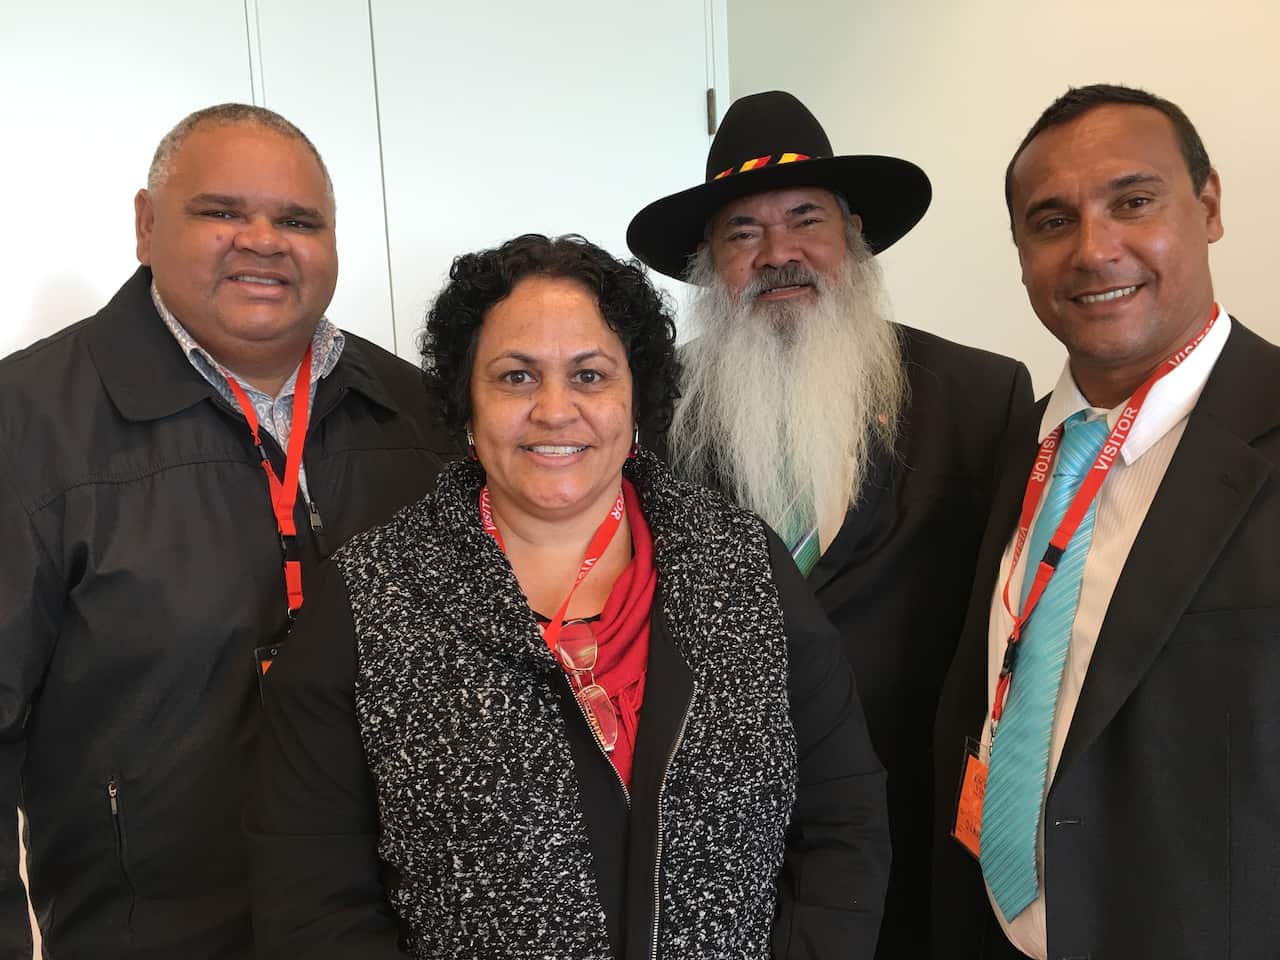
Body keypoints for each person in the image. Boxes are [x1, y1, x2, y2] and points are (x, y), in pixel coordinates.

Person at [248, 233, 891, 959]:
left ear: (635, 395)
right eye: (516, 377)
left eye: (589, 375)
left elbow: (843, 820)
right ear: (466, 401)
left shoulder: (741, 563)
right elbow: (309, 895)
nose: (555, 410)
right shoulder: (372, 593)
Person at [0, 103, 449, 959]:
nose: (263, 241)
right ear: (146, 224)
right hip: (152, 933)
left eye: (299, 221)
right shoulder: (25, 425)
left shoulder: (422, 415)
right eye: (221, 211)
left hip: (392, 927)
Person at [626, 90, 1033, 956]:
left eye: (805, 219)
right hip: (717, 855)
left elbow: (1003, 634)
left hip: (918, 835)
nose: (779, 254)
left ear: (854, 234)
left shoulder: (979, 397)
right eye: (742, 233)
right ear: (708, 264)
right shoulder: (646, 413)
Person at [932, 83, 1280, 959]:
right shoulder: (1015, 450)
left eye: (1133, 202)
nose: (1093, 250)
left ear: (1208, 206)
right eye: (1053, 222)